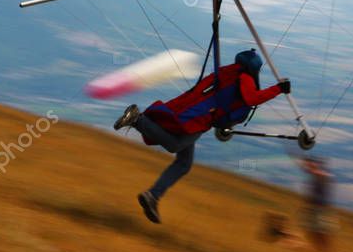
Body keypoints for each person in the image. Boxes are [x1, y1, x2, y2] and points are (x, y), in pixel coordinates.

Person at [114, 49, 290, 224]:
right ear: (253, 68)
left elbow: (227, 99)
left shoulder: (229, 72)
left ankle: (152, 196)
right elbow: (252, 99)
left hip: (198, 112)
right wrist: (278, 89)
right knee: (175, 145)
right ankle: (138, 120)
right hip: (200, 117)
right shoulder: (244, 77)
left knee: (184, 163)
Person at [298, 156, 335, 252]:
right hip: (316, 208)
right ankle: (322, 251)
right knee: (312, 230)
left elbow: (320, 190)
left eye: (308, 164)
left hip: (320, 208)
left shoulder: (321, 175)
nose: (306, 167)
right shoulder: (317, 176)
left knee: (320, 232)